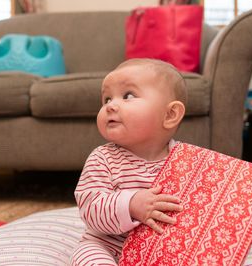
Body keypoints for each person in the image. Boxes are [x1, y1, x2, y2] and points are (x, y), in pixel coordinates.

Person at [70, 58, 187, 265]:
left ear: (170, 115)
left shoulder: (185, 160)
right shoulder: (103, 159)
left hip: (160, 249)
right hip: (109, 245)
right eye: (106, 99)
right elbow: (89, 209)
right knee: (87, 255)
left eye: (128, 96)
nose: (111, 106)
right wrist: (131, 205)